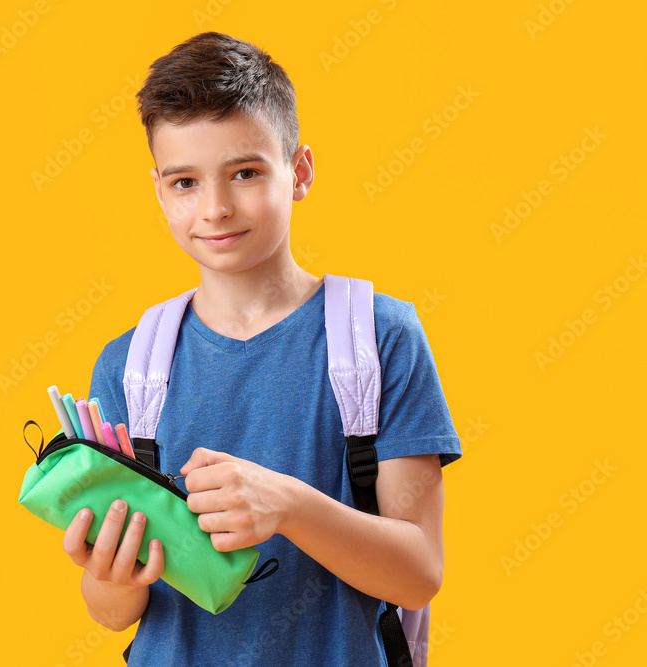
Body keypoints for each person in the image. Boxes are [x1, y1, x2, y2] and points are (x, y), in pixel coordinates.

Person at [60, 31, 462, 666]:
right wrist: (110, 574)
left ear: (299, 172)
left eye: (245, 172)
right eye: (185, 182)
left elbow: (419, 573)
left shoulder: (378, 340)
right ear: (160, 190)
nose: (215, 208)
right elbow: (113, 616)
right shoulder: (130, 366)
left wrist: (290, 507)